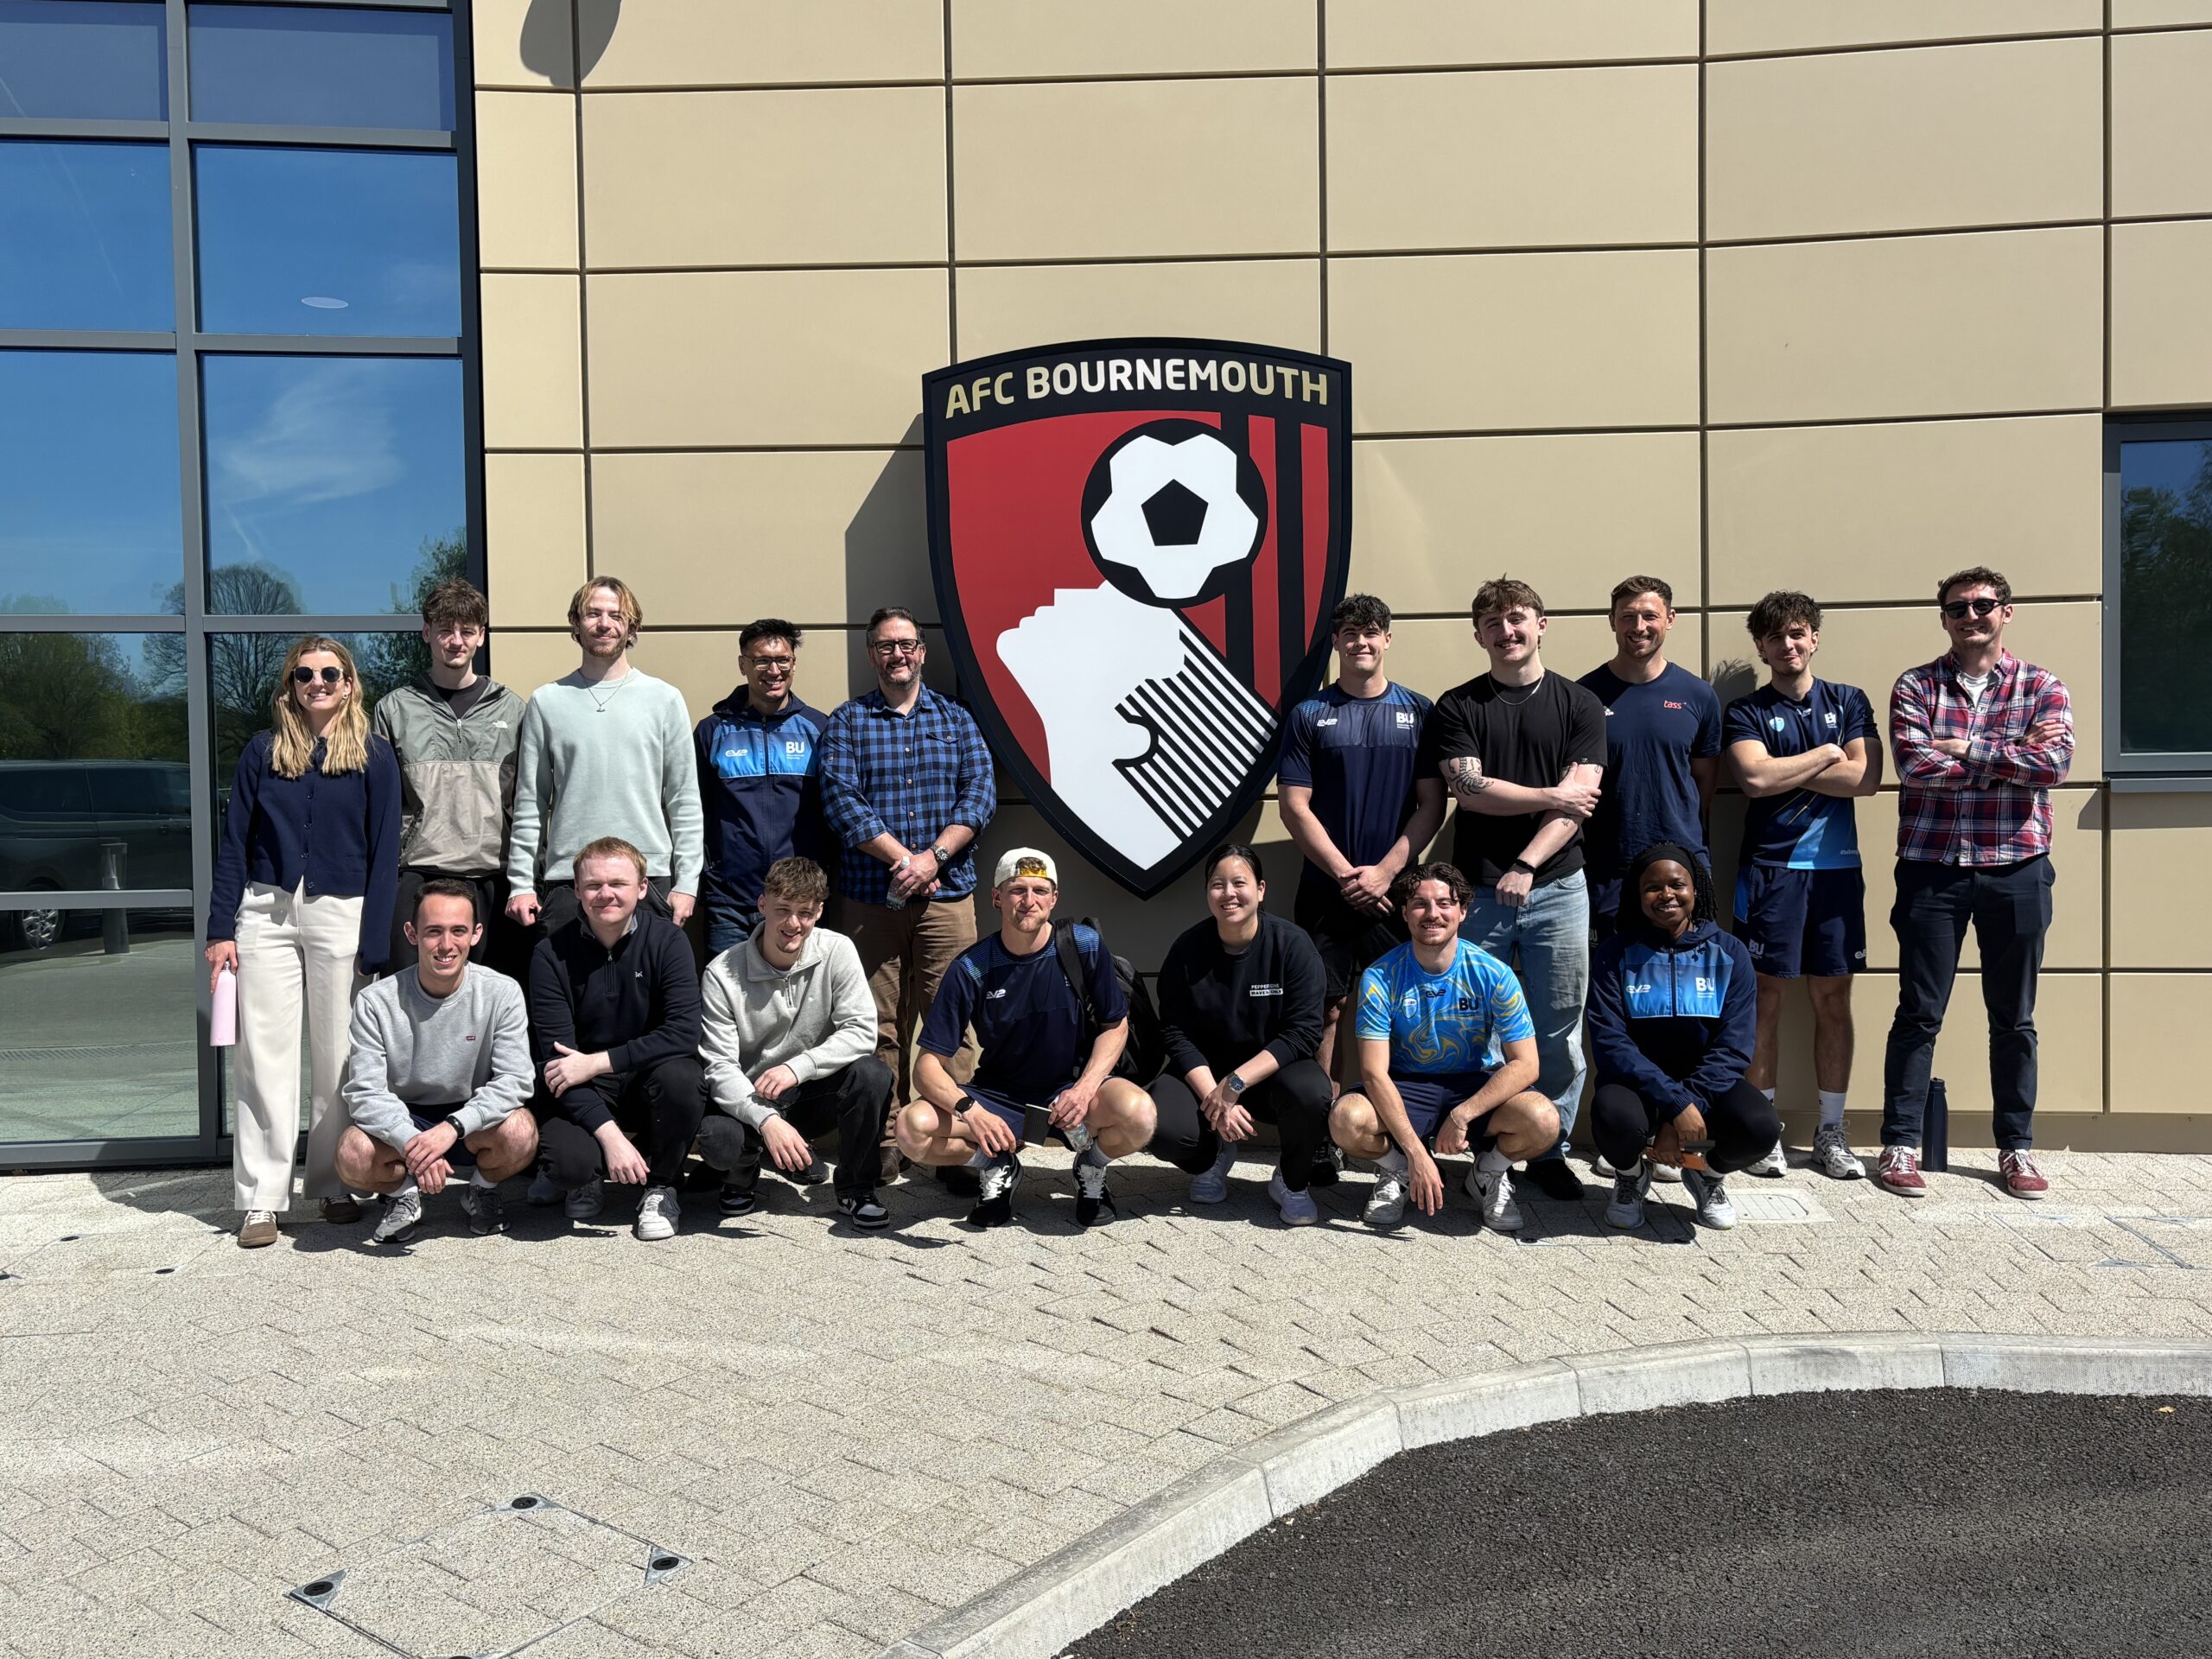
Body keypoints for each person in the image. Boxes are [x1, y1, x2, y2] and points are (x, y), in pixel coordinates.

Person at [1880, 566, 2072, 1202]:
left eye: (1983, 605)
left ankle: (2016, 1149)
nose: (1971, 616)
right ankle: (1900, 1143)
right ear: (1944, 618)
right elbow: (1914, 764)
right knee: (1919, 1012)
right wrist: (2005, 756)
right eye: (1958, 608)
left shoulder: (2043, 685)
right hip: (1932, 869)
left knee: (2014, 1018)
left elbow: (2053, 765)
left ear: (2006, 611)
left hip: (2016, 868)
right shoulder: (1915, 685)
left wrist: (1964, 749)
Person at [206, 635, 402, 1249]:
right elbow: (234, 843)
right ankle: (262, 1198)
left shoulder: (374, 755)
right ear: (290, 685)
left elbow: (384, 853)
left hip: (342, 913)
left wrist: (376, 941)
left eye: (330, 673)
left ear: (349, 683)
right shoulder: (262, 753)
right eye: (304, 674)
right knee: (262, 1056)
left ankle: (335, 1183)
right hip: (266, 914)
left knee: (339, 1055)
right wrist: (219, 930)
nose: (317, 682)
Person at [1416, 576, 1607, 1200]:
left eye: (1518, 618)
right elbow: (1470, 788)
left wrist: (1526, 862)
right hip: (1477, 889)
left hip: (1558, 887)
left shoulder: (1579, 705)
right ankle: (1488, 1148)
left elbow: (1581, 805)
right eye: (1494, 624)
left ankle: (1546, 1148)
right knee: (1482, 1025)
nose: (1508, 632)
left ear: (1542, 624)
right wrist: (1552, 793)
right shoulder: (1458, 706)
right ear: (1479, 636)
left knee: (1558, 1028)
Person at [819, 606, 995, 1179]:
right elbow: (842, 803)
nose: (898, 654)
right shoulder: (847, 723)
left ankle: (950, 1139)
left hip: (949, 899)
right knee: (877, 1025)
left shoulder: (957, 720)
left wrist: (934, 858)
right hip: (873, 898)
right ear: (872, 654)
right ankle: (888, 1138)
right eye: (886, 646)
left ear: (922, 652)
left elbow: (980, 797)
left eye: (908, 644)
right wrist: (904, 862)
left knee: (953, 1023)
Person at [891, 849, 1157, 1229]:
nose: (1028, 901)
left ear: (1054, 898)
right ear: (997, 897)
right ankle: (996, 1164)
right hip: (999, 1098)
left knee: (1140, 1115)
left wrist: (1083, 1090)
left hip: (1071, 1093)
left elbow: (1116, 1026)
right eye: (1016, 890)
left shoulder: (1083, 946)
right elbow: (927, 1068)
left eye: (1039, 890)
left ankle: (1091, 1169)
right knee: (910, 1129)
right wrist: (973, 1112)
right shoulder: (972, 967)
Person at [1724, 590, 1882, 1181]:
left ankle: (1831, 1132)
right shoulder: (1745, 711)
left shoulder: (1849, 700)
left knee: (1832, 1001)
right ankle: (1764, 1133)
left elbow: (1865, 779)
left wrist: (1791, 766)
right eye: (1774, 638)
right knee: (1765, 999)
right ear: (1760, 648)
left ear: (1813, 637)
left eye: (1797, 634)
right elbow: (1757, 779)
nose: (1787, 645)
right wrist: (1822, 754)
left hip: (1837, 873)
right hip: (1770, 871)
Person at [1328, 862, 1557, 1232]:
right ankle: (1397, 1171)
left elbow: (1527, 1065)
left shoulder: (1493, 973)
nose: (1432, 914)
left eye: (1445, 903)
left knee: (1543, 1119)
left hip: (1474, 1083)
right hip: (1406, 1083)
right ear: (1404, 913)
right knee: (1346, 1119)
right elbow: (1373, 1071)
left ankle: (1487, 1173)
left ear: (1463, 911)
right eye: (1419, 904)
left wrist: (1463, 1114)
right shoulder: (1380, 976)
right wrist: (1417, 1155)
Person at [1277, 593, 1445, 1087]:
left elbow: (1431, 805)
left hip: (1394, 894)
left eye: (1371, 632)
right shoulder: (1309, 715)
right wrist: (1346, 874)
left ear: (1387, 639)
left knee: (1395, 1011)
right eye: (1350, 633)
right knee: (1326, 1010)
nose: (1361, 642)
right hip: (1327, 888)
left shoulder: (1419, 712)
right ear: (1336, 643)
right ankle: (1325, 1134)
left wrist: (1385, 873)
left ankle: (1387, 1130)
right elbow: (1293, 805)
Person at [1587, 843, 1780, 1233]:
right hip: (1636, 1085)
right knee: (1612, 1116)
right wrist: (1673, 1103)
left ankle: (1707, 1176)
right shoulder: (1615, 953)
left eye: (1677, 884)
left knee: (1760, 1126)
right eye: (1652, 888)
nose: (1666, 895)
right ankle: (1630, 1175)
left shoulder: (1730, 953)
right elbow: (1611, 1043)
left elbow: (1734, 1046)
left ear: (1697, 889)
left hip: (1708, 1086)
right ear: (1637, 896)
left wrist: (1684, 1107)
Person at [334, 879, 537, 1244]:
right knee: (352, 1153)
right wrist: (413, 1143)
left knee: (522, 1132)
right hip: (405, 1115)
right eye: (434, 932)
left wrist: (451, 1129)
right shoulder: (375, 1001)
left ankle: (480, 1190)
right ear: (412, 934)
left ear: (476, 934)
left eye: (458, 931)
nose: (446, 945)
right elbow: (364, 1091)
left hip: (470, 1118)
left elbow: (516, 1080)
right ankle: (403, 1195)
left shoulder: (501, 992)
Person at [696, 856, 894, 1230]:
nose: (792, 924)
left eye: (804, 913)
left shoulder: (838, 950)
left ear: (819, 911)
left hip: (806, 1091)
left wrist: (796, 1067)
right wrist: (767, 1120)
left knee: (872, 1074)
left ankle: (856, 1190)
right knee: (721, 1136)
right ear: (762, 905)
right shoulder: (721, 972)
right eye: (782, 910)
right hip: (749, 1097)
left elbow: (863, 1031)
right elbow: (719, 1066)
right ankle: (741, 1176)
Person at [526, 837, 708, 1241]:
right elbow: (556, 1062)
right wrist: (611, 1138)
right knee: (569, 1166)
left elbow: (683, 1033)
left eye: (618, 884)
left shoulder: (669, 941)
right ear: (576, 890)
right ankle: (587, 1174)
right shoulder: (549, 954)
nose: (605, 894)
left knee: (684, 1078)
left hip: (647, 1079)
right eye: (593, 885)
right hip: (584, 1087)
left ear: (642, 888)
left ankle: (661, 1185)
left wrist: (596, 1061)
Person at [505, 576, 703, 938]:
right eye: (593, 613)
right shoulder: (547, 702)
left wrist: (687, 881)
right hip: (568, 881)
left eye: (616, 614)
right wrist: (521, 882)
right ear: (575, 624)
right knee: (567, 993)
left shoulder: (664, 699)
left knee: (648, 993)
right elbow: (531, 802)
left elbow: (684, 800)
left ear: (632, 627)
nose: (604, 623)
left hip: (648, 879)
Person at [1146, 844, 1334, 1224]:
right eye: (1218, 884)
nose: (1228, 893)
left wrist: (1235, 1084)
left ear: (1261, 889)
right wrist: (1215, 1097)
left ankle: (1292, 1182)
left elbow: (1303, 1033)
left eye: (1239, 883)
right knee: (1163, 1126)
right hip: (1207, 1076)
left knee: (1312, 1094)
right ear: (1207, 893)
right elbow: (1176, 1033)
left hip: (1272, 1074)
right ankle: (1212, 1157)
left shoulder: (1293, 945)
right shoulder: (1187, 950)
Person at [372, 577, 524, 976]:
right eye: (445, 630)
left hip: (493, 877)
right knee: (410, 1005)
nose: (456, 641)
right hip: (418, 876)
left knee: (494, 1006)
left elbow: (529, 802)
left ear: (481, 637)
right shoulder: (394, 710)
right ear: (427, 633)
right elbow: (378, 808)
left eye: (467, 631)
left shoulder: (514, 711)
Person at [1577, 575, 1722, 938]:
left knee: (1689, 980)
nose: (1639, 627)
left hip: (1683, 863)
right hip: (1608, 867)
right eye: (1627, 616)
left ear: (1670, 619)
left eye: (1650, 616)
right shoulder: (1584, 697)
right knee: (1613, 984)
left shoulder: (1699, 695)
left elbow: (1704, 780)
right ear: (1612, 621)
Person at [695, 618, 828, 958]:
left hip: (800, 901)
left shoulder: (818, 728)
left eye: (783, 660)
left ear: (794, 664)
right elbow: (694, 810)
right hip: (730, 900)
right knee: (728, 999)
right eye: (761, 661)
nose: (774, 670)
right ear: (743, 665)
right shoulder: (713, 731)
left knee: (800, 1002)